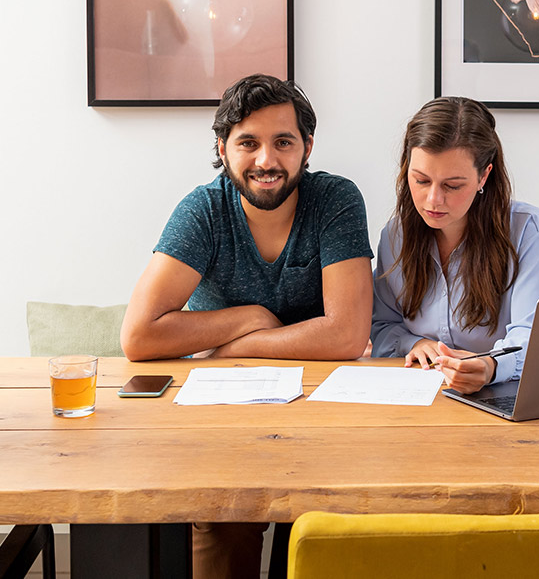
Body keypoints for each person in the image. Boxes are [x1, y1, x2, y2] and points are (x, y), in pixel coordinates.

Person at [121, 73, 373, 578]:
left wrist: (239, 346)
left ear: (307, 147)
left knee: (325, 524)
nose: (266, 160)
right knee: (225, 522)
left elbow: (347, 333)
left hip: (325, 408)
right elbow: (139, 337)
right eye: (248, 143)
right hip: (226, 412)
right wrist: (248, 316)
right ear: (223, 148)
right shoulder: (204, 211)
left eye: (283, 142)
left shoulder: (336, 200)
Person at [371, 96, 539, 393]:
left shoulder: (528, 230)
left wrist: (491, 366)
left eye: (453, 185)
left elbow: (534, 335)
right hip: (416, 394)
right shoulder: (395, 235)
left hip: (500, 395)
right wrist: (415, 343)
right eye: (421, 180)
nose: (433, 200)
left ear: (484, 174)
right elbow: (381, 324)